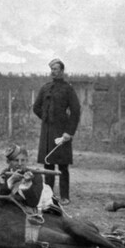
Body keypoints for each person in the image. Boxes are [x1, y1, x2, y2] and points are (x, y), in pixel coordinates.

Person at [32, 58, 81, 205]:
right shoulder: (45, 87)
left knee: (63, 165)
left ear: (62, 71)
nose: (53, 72)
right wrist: (47, 118)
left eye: (56, 69)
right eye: (52, 69)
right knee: (48, 164)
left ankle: (65, 196)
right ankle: (49, 196)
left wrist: (69, 132)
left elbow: (76, 111)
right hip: (47, 132)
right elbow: (36, 107)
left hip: (62, 132)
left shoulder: (68, 89)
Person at [0, 145, 59, 220]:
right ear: (8, 162)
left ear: (27, 160)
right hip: (13, 210)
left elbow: (33, 203)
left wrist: (27, 184)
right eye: (16, 160)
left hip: (36, 210)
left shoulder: (36, 175)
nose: (19, 164)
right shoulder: (5, 174)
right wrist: (11, 181)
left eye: (23, 160)